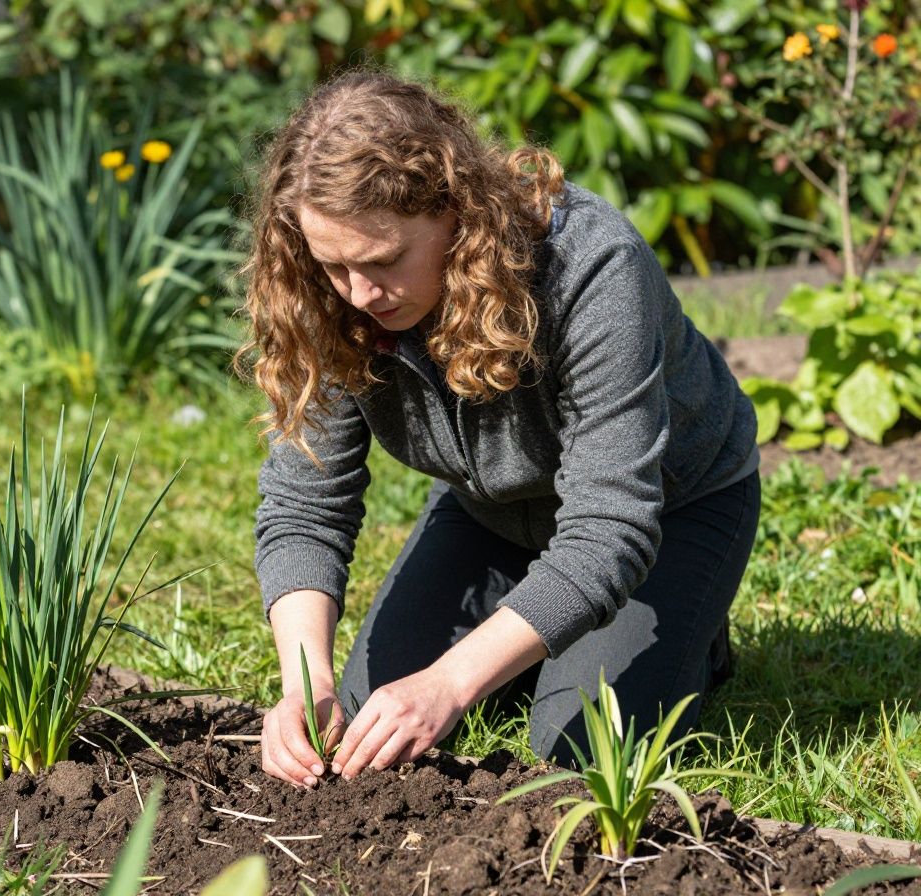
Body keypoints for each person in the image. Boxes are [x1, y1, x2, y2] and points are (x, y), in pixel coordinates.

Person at [236, 70, 761, 790]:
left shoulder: (589, 265)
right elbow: (304, 506)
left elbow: (611, 528)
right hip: (494, 517)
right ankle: (537, 634)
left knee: (571, 757)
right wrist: (306, 681)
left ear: (456, 214)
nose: (359, 294)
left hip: (669, 510)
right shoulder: (335, 301)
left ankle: (691, 637)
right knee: (361, 723)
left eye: (384, 260)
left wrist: (451, 683)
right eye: (334, 265)